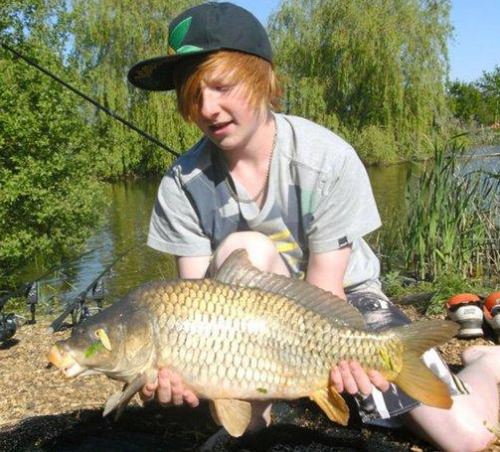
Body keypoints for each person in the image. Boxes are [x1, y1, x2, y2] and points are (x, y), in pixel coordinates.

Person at [127, 3, 500, 450]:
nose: (208, 108)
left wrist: (346, 356)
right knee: (246, 248)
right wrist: (180, 369)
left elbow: (329, 292)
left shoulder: (327, 158)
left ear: (262, 79)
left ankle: (486, 361)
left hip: (342, 302)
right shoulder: (181, 183)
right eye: (192, 95)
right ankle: (254, 414)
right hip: (244, 325)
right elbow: (193, 305)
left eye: (222, 87)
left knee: (466, 440)